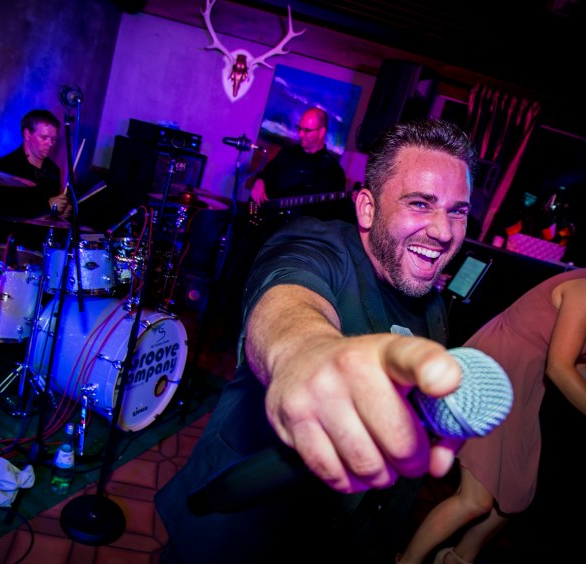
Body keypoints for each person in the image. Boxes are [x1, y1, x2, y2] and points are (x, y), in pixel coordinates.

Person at [155, 119, 478, 563]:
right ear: (367, 208)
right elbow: (289, 302)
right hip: (241, 537)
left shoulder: (433, 305)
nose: (443, 231)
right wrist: (308, 359)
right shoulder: (316, 245)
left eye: (457, 211)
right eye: (420, 203)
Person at [397, 238, 586, 564]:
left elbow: (583, 366)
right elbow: (560, 368)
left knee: (515, 495)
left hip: (524, 387)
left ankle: (457, 558)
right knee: (476, 500)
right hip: (493, 373)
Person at [214, 106, 348, 348]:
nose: (301, 134)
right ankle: (227, 334)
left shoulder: (332, 172)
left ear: (322, 132)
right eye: (299, 129)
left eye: (307, 130)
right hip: (262, 229)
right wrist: (259, 182)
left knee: (269, 289)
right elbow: (266, 175)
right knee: (240, 276)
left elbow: (330, 218)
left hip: (292, 242)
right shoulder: (288, 154)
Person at [0, 109, 71, 251]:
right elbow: (1, 210)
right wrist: (47, 205)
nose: (50, 144)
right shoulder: (5, 166)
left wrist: (60, 213)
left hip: (39, 246)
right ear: (27, 134)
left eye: (53, 139)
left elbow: (50, 216)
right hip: (7, 244)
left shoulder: (53, 170)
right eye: (44, 137)